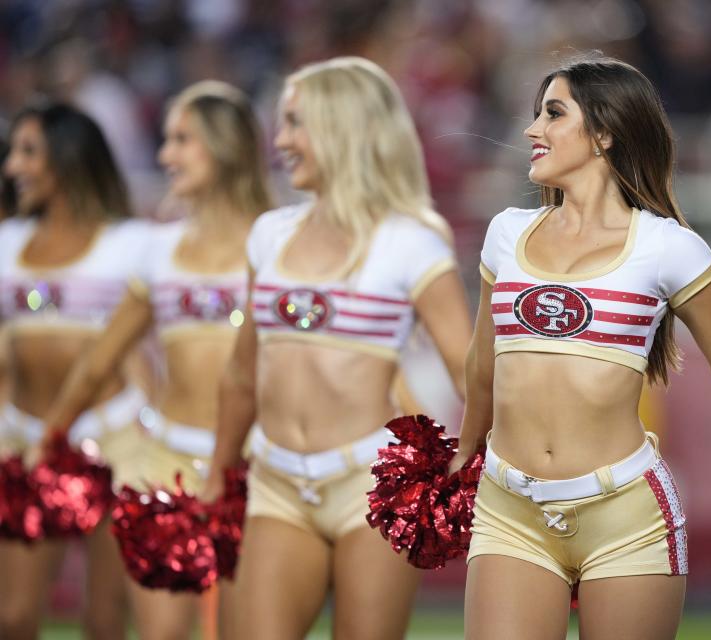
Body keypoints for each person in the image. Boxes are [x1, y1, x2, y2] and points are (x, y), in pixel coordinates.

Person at [450, 56, 711, 640]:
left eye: (553, 114)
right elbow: (482, 360)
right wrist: (465, 448)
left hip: (625, 514)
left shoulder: (669, 247)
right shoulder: (505, 232)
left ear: (605, 131)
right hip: (509, 509)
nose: (533, 131)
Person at [203, 57, 473, 640]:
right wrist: (216, 475)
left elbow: (473, 376)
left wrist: (469, 467)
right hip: (275, 481)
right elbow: (241, 373)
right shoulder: (269, 233)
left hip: (371, 485)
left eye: (296, 122)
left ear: (341, 127)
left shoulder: (411, 241)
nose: (281, 141)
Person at [43, 81, 272, 639]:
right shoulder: (159, 249)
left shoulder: (277, 243)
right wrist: (47, 439)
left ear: (224, 145)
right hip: (160, 469)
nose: (165, 155)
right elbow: (100, 360)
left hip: (255, 473)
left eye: (181, 140)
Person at [0, 102, 148, 640]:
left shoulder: (131, 244)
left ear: (68, 159)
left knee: (104, 621)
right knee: (12, 617)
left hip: (112, 441)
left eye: (29, 152)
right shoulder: (7, 243)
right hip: (25, 441)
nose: (13, 166)